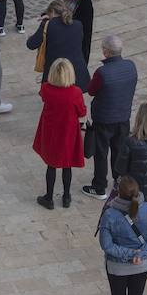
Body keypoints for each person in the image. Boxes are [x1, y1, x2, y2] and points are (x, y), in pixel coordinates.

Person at [83, 35, 138, 199]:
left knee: (101, 152)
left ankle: (99, 187)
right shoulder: (131, 66)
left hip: (104, 118)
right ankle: (118, 181)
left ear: (106, 52)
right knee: (119, 150)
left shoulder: (102, 72)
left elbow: (91, 90)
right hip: (123, 117)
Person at [33, 58, 87, 208]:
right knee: (66, 165)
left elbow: (43, 97)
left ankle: (48, 198)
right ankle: (66, 197)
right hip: (68, 132)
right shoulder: (75, 93)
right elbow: (82, 111)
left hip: (51, 132)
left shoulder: (46, 89)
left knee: (51, 165)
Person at [114, 101, 147, 209]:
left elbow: (119, 168)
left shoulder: (130, 142)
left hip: (134, 191)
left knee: (132, 219)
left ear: (139, 119)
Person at [27, 0, 89, 88]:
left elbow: (31, 44)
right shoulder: (78, 25)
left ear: (51, 12)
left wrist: (45, 22)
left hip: (56, 71)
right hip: (76, 72)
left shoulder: (48, 25)